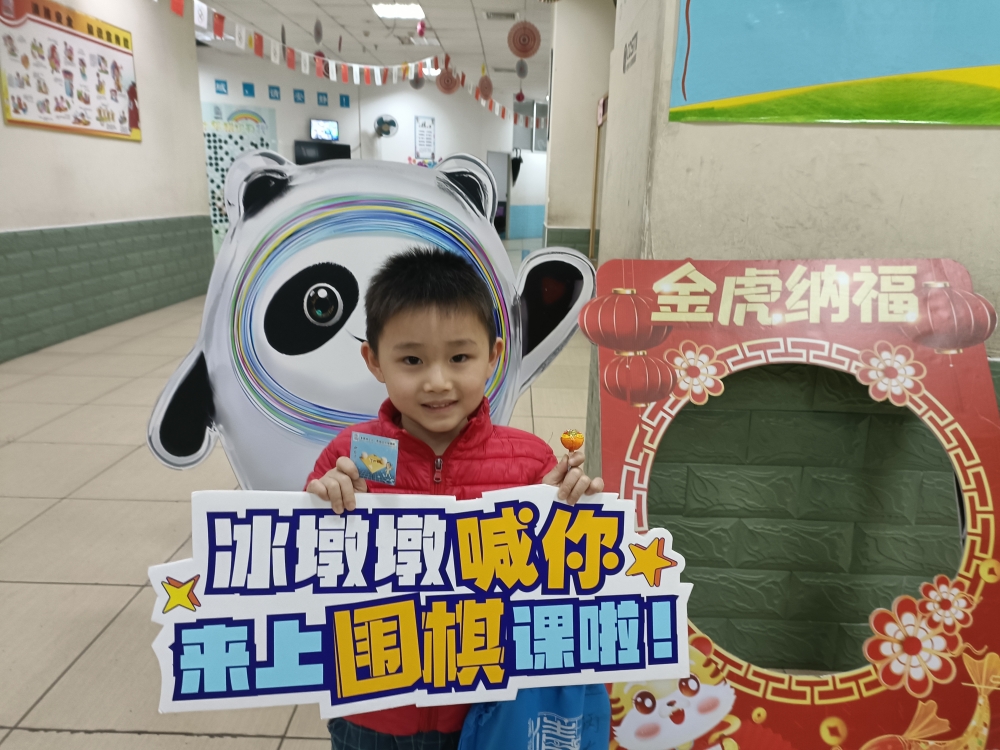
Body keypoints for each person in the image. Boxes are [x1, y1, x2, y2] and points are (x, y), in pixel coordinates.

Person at [306, 247, 604, 750]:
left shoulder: (530, 461)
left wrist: (571, 514)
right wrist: (321, 504)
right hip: (371, 712)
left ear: (493, 355)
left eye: (459, 357)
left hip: (485, 713)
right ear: (374, 361)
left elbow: (561, 583)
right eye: (412, 360)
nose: (437, 381)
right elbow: (298, 571)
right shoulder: (348, 456)